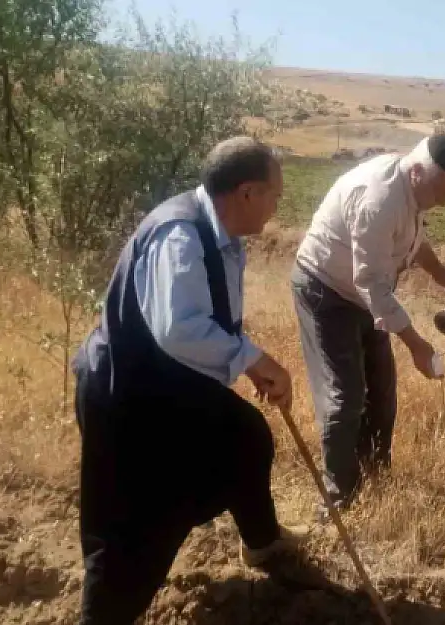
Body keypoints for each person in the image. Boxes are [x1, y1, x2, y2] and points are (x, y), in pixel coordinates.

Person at [71, 136, 309, 625]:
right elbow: (178, 327)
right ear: (246, 193)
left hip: (169, 386)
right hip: (127, 395)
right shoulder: (180, 234)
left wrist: (244, 359)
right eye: (275, 195)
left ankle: (263, 545)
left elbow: (206, 321)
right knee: (134, 532)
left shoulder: (221, 234)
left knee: (246, 437)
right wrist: (252, 360)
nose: (277, 206)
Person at [290, 133, 445, 518]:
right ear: (420, 172)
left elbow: (413, 241)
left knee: (382, 393)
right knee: (346, 396)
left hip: (363, 293)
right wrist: (416, 343)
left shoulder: (413, 188)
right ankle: (340, 498)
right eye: (444, 190)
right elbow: (370, 281)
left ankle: (375, 476)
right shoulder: (379, 198)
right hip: (326, 290)